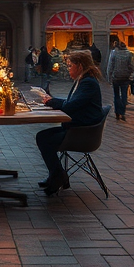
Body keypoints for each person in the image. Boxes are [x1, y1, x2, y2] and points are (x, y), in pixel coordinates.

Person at [35, 50, 104, 196]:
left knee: (44, 139)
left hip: (82, 133)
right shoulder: (83, 80)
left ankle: (58, 176)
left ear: (79, 66)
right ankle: (57, 175)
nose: (68, 69)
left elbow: (69, 106)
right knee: (42, 136)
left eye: (70, 65)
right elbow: (70, 103)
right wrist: (51, 101)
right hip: (77, 128)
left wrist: (52, 102)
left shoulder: (88, 83)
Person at [106, 41, 134, 122]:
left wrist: (109, 78)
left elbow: (110, 66)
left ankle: (117, 112)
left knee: (116, 95)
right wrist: (131, 76)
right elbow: (132, 66)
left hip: (116, 77)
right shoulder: (129, 54)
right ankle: (122, 112)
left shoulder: (114, 53)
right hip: (125, 77)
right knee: (124, 95)